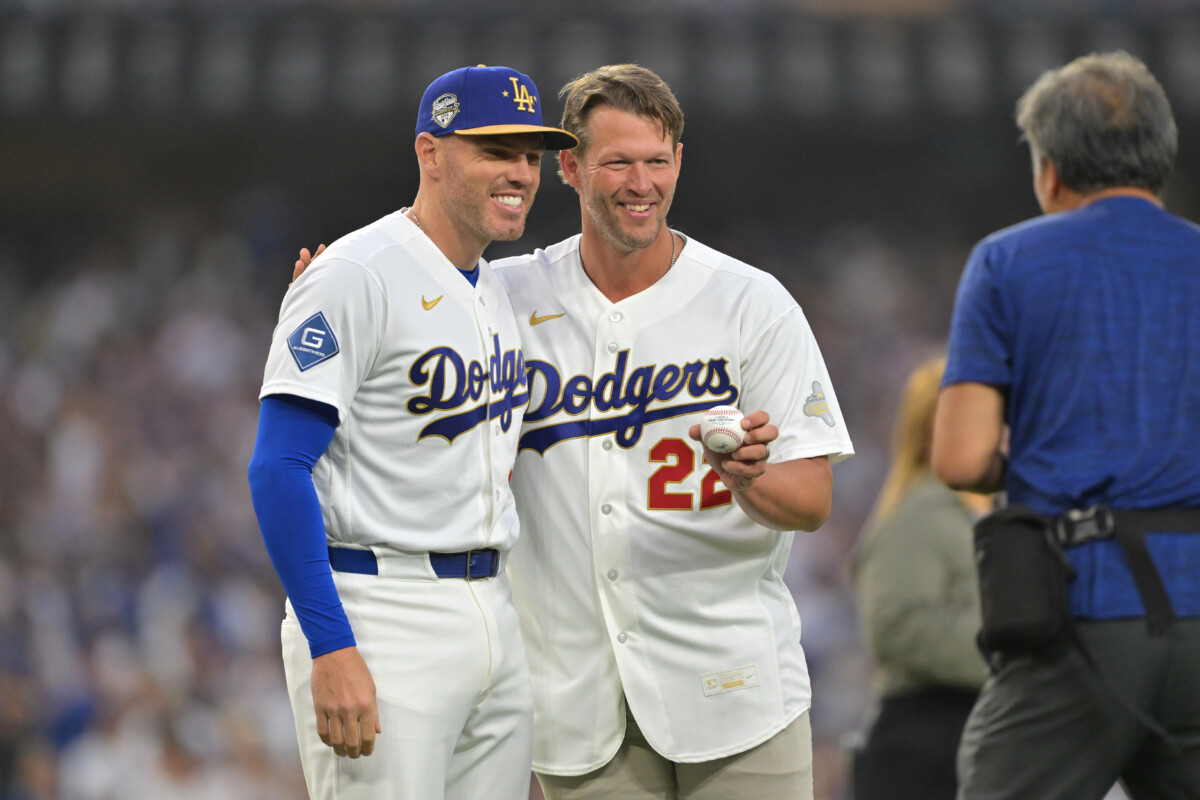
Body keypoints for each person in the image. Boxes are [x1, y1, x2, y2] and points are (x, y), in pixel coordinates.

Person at [295, 63, 853, 800]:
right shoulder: (505, 294)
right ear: (571, 167)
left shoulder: (752, 303)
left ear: (679, 162)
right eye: (618, 161)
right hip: (577, 704)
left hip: (734, 682)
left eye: (658, 161)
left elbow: (813, 498)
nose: (641, 182)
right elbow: (398, 328)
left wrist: (751, 479)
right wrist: (334, 288)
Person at [247, 65, 577, 800]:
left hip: (493, 608)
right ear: (431, 154)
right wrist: (331, 645)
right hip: (381, 608)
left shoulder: (494, 283)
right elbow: (277, 468)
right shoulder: (355, 272)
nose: (521, 172)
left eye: (531, 155)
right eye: (497, 150)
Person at [932, 51, 1200, 799]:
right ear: (1160, 159)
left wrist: (1014, 457)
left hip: (1085, 604)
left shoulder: (1008, 261)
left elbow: (959, 459)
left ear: (1050, 170)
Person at [851, 357, 990, 800]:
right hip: (926, 740)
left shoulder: (979, 514)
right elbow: (896, 625)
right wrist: (1011, 653)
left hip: (967, 732)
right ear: (932, 431)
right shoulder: (917, 515)